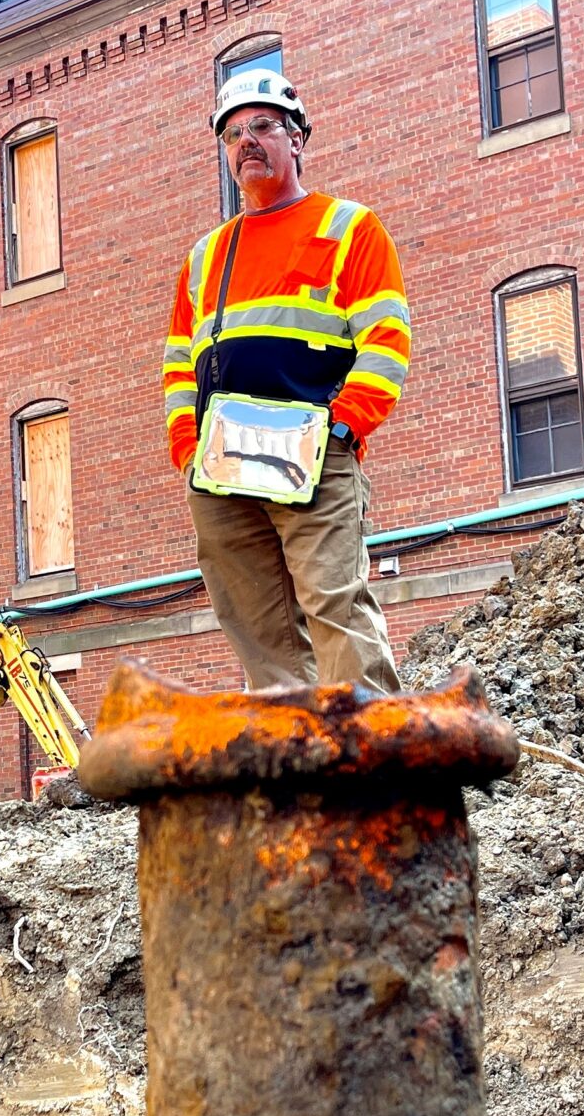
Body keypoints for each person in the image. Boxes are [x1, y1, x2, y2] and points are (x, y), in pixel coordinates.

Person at [162, 69, 410, 693]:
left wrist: (348, 423)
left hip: (314, 449)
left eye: (264, 126)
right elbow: (177, 367)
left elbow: (386, 339)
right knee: (255, 624)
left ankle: (375, 763)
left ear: (297, 138)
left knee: (333, 606)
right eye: (233, 132)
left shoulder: (348, 227)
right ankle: (300, 766)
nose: (247, 140)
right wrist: (188, 452)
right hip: (223, 462)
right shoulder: (205, 257)